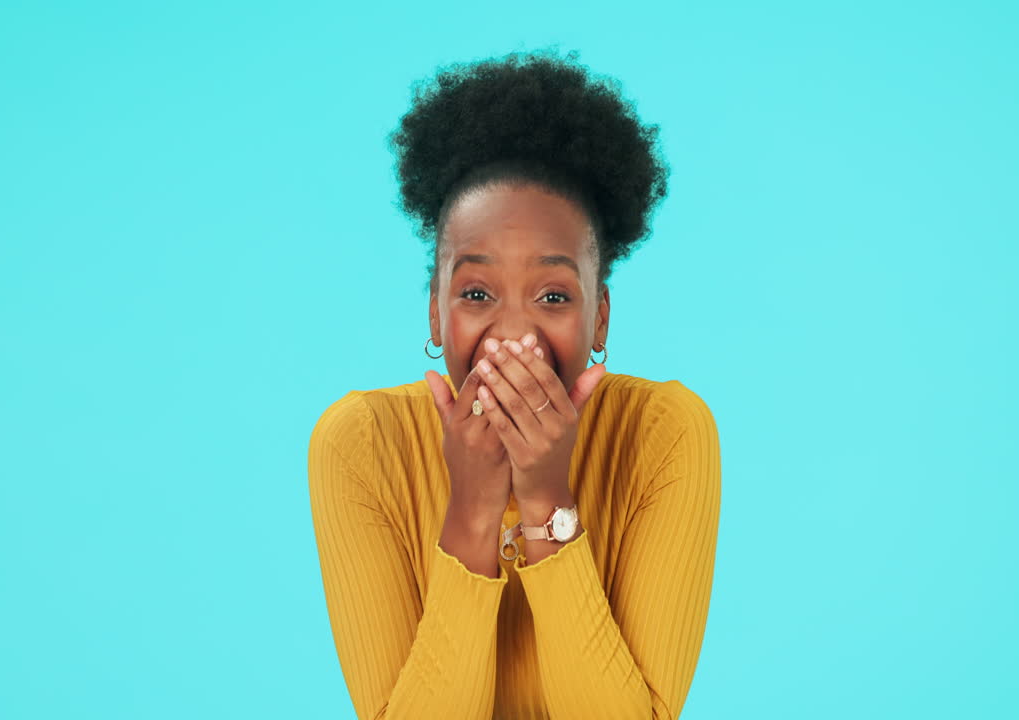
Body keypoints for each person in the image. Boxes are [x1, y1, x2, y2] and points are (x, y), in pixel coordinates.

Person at [307, 49, 721, 720]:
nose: (514, 337)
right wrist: (471, 514)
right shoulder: (360, 444)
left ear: (600, 319)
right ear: (436, 314)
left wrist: (547, 505)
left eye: (553, 297)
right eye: (476, 291)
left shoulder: (667, 434)